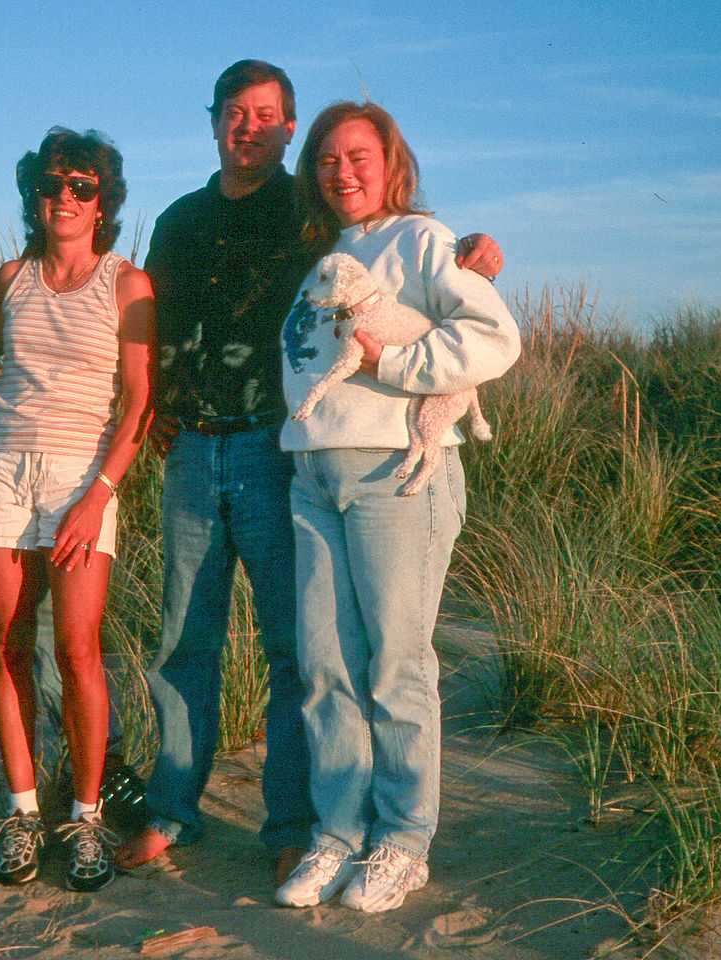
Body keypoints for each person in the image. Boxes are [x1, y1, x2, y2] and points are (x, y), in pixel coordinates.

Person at [118, 60, 504, 886]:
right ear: (214, 120)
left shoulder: (309, 218)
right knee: (198, 641)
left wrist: (472, 252)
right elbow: (156, 324)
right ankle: (180, 810)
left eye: (267, 115)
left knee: (316, 653)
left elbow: (411, 257)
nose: (249, 127)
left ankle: (302, 826)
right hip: (213, 450)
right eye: (235, 112)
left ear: (288, 129)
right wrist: (153, 408)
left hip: (280, 447)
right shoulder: (189, 220)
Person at [273, 101, 520, 913]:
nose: (342, 173)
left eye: (359, 157)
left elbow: (492, 339)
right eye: (327, 160)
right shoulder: (329, 251)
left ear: (391, 162)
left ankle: (403, 842)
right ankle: (338, 835)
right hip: (313, 476)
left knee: (398, 667)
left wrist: (399, 364)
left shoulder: (422, 237)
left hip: (396, 477)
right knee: (325, 666)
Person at [0, 128, 155, 893]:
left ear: (104, 200)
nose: (63, 197)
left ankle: (86, 818)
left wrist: (98, 494)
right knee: (8, 641)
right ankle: (23, 812)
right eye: (50, 184)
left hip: (81, 478)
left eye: (81, 185)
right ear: (32, 195)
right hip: (1, 470)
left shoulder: (126, 284)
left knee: (77, 649)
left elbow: (138, 400)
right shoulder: (11, 279)